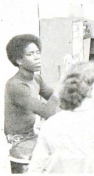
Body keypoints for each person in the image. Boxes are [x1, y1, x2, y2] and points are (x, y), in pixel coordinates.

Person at [4, 34, 61, 173]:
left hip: (32, 136)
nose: (37, 57)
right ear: (19, 60)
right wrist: (62, 83)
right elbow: (48, 112)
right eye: (30, 54)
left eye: (37, 52)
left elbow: (56, 99)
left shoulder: (36, 78)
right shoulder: (16, 85)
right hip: (21, 143)